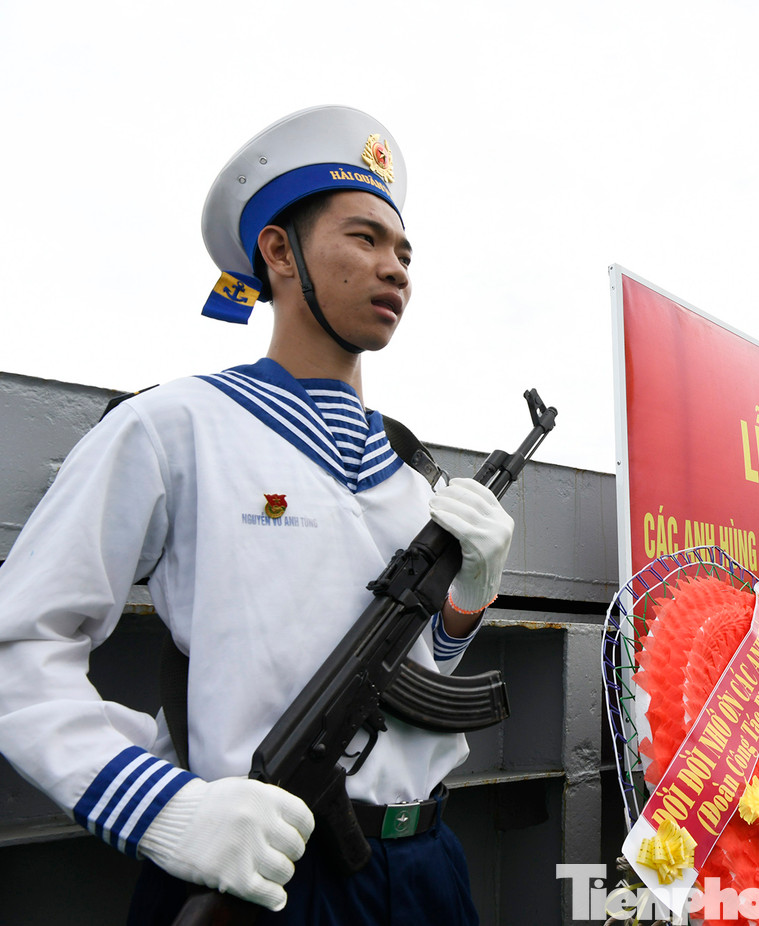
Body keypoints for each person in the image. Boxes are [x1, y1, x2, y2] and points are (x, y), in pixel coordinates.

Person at [0, 106, 513, 924]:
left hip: (429, 872)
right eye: (365, 239)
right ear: (279, 252)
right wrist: (161, 807)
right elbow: (20, 643)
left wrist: (465, 603)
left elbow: (412, 679)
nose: (396, 269)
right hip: (259, 871)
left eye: (404, 251)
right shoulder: (175, 426)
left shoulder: (415, 477)